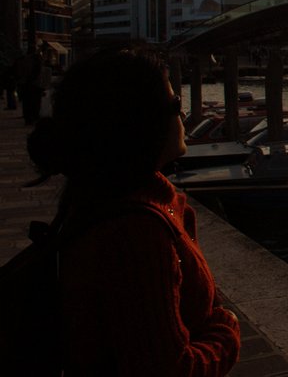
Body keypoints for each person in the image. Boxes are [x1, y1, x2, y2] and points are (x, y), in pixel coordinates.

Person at [26, 48, 241, 376]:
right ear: (140, 122)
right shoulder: (136, 235)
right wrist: (226, 330)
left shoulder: (101, 198)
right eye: (176, 105)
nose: (183, 115)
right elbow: (169, 369)